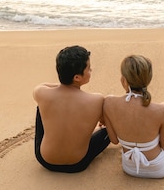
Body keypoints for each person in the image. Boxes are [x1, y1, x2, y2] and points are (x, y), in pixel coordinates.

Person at [33, 45, 110, 173]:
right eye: (89, 69)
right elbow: (104, 122)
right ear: (77, 77)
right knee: (106, 131)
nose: (91, 70)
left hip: (46, 161)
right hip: (78, 164)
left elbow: (42, 85)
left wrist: (64, 84)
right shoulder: (96, 100)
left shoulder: (41, 93)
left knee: (41, 107)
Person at [103, 55, 164, 178]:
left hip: (130, 168)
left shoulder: (109, 103)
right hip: (159, 170)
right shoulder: (162, 109)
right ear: (148, 80)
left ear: (124, 81)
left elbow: (114, 141)